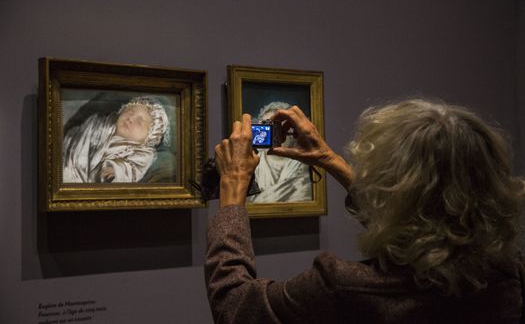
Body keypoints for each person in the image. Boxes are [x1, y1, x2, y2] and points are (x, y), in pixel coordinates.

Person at [206, 99, 525, 323]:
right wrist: (330, 160)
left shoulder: (345, 286)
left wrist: (233, 191)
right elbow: (423, 218)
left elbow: (237, 308)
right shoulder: (507, 275)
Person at [63, 96, 170, 183]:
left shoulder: (143, 153)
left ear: (150, 135)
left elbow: (131, 169)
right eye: (129, 112)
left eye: (139, 121)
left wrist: (114, 170)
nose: (130, 119)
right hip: (70, 163)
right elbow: (76, 136)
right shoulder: (99, 124)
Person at [248, 101, 312, 203]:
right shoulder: (253, 163)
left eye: (278, 129)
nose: (273, 136)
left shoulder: (302, 164)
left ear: (290, 130)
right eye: (267, 129)